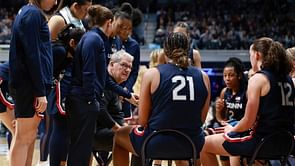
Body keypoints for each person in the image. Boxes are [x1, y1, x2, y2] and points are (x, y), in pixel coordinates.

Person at [112, 32, 211, 166]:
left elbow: (142, 121)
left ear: (165, 51)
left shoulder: (152, 73)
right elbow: (201, 120)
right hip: (191, 144)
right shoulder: (204, 77)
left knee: (119, 135)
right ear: (189, 50)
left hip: (156, 142)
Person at [200, 37, 295, 166]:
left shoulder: (258, 79)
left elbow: (247, 122)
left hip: (262, 142)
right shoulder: (288, 79)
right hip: (286, 143)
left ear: (256, 55)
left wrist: (232, 130)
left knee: (204, 143)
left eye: (250, 55)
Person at [8, 0, 57, 166]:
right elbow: (32, 54)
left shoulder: (27, 11)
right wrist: (40, 91)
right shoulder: (33, 14)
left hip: (27, 84)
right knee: (23, 137)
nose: (56, 2)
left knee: (28, 136)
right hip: (29, 86)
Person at [65, 4, 113, 166]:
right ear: (109, 22)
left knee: (80, 146)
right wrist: (91, 100)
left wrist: (127, 95)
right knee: (81, 147)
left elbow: (103, 77)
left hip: (80, 99)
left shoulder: (91, 37)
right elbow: (88, 72)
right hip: (83, 101)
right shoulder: (94, 39)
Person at [47, 1, 91, 165]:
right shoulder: (58, 20)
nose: (86, 13)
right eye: (85, 9)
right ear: (75, 5)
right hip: (61, 80)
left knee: (69, 128)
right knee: (60, 126)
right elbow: (46, 51)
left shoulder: (78, 20)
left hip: (73, 79)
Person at [93, 50, 134, 164]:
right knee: (136, 138)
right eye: (124, 65)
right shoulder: (106, 84)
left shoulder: (115, 85)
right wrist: (119, 129)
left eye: (130, 67)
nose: (127, 70)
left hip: (109, 132)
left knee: (139, 135)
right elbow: (100, 110)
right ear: (111, 64)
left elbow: (117, 115)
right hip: (97, 134)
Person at [213, 57, 248, 166]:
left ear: (239, 76)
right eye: (225, 75)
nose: (227, 78)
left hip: (242, 131)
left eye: (231, 75)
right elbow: (221, 119)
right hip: (228, 129)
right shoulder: (224, 92)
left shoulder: (246, 92)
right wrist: (218, 110)